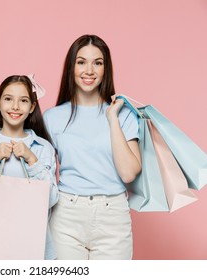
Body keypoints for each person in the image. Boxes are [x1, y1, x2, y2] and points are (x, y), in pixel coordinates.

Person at [43, 34, 141, 260]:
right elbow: (42, 172)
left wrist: (113, 118)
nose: (89, 70)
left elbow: (128, 172)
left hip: (113, 216)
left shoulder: (124, 115)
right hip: (66, 214)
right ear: (71, 67)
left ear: (106, 69)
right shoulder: (52, 117)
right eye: (81, 62)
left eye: (97, 63)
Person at [0, 75, 59, 259]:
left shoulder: (43, 148)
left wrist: (32, 160)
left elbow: (52, 199)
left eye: (23, 101)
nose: (15, 107)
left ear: (32, 107)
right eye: (8, 99)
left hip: (31, 246)